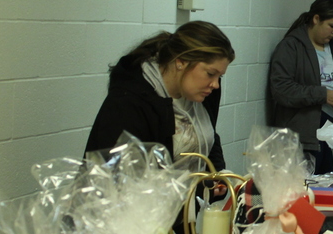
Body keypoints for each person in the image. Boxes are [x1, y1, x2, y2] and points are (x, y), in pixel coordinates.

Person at [85, 20, 234, 174]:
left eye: (220, 76)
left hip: (188, 196)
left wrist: (216, 173)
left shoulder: (203, 92)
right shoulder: (128, 103)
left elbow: (208, 135)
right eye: (210, 74)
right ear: (181, 62)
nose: (215, 84)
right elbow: (113, 176)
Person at [267, 0, 333, 174]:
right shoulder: (291, 47)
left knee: (332, 185)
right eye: (331, 26)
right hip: (304, 132)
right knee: (307, 187)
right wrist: (323, 95)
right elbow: (281, 90)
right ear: (316, 19)